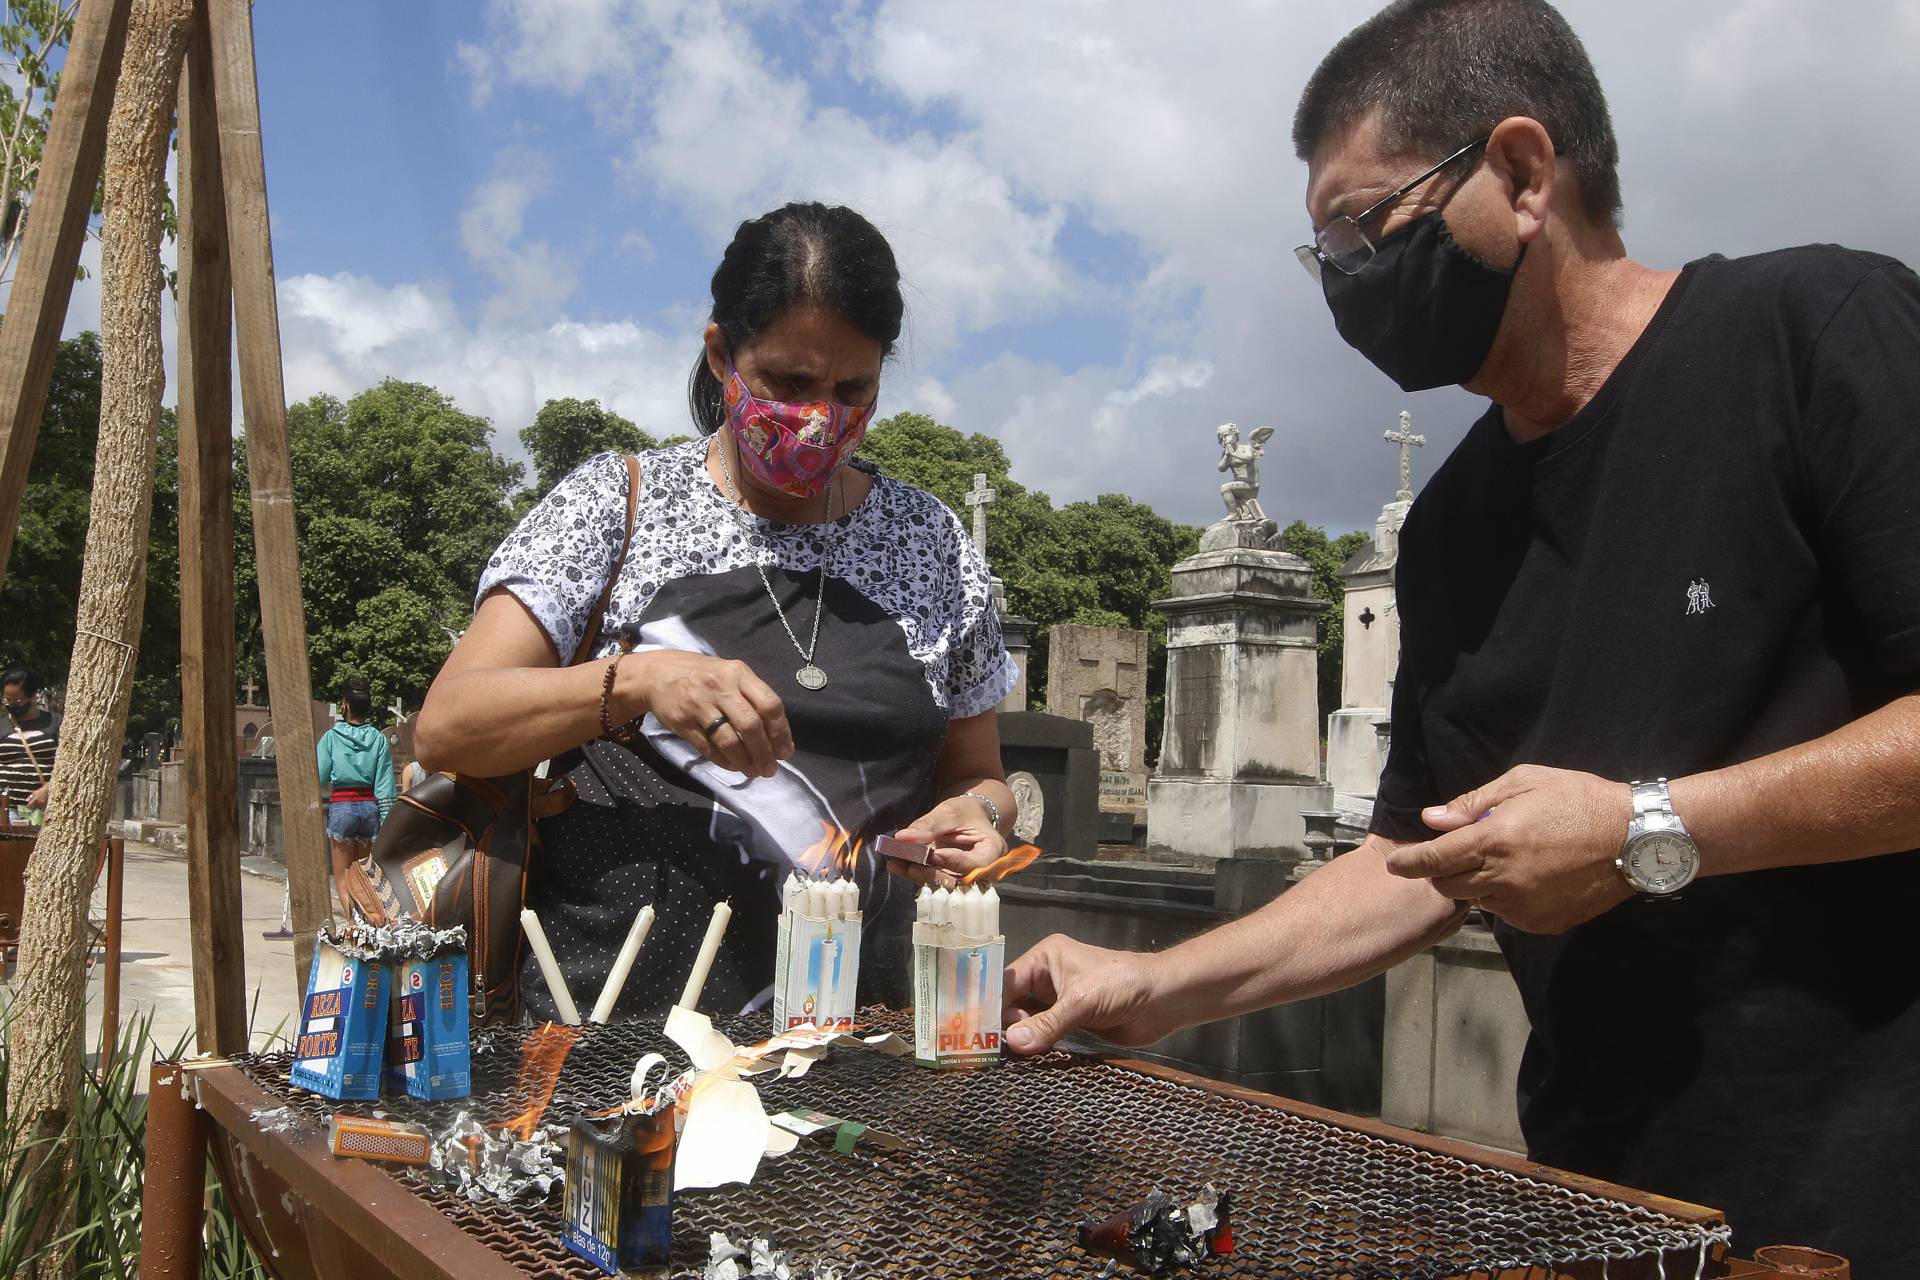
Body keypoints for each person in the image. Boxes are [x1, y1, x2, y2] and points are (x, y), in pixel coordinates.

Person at [1004, 0, 1920, 1268]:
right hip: (1604, 1204)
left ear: (1524, 172)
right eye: (1320, 250)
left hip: (1868, 1196)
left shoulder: (1818, 336)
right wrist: (1154, 987)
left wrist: (1651, 826)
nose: (1347, 281)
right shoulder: (1453, 529)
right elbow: (1409, 859)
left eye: (1367, 227)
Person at [414, 202, 1019, 1023]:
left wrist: (978, 813)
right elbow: (451, 724)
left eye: (852, 389)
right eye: (788, 383)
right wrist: (634, 681)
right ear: (720, 354)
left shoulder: (932, 543)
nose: (817, 419)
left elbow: (976, 769)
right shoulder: (617, 506)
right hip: (613, 1045)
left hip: (863, 1041)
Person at [316, 677, 396, 917]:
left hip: (342, 808)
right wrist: (387, 820)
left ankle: (352, 926)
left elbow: (318, 777)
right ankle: (368, 924)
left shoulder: (331, 738)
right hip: (369, 810)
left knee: (342, 878)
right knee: (364, 879)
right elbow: (385, 785)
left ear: (345, 705)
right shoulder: (379, 740)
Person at [1, 667, 58, 821]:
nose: (11, 705)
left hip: (44, 811)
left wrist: (49, 789)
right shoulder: (2, 727)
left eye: (17, 701)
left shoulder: (55, 724)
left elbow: (71, 765)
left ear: (33, 695)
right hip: (7, 811)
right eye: (7, 700)